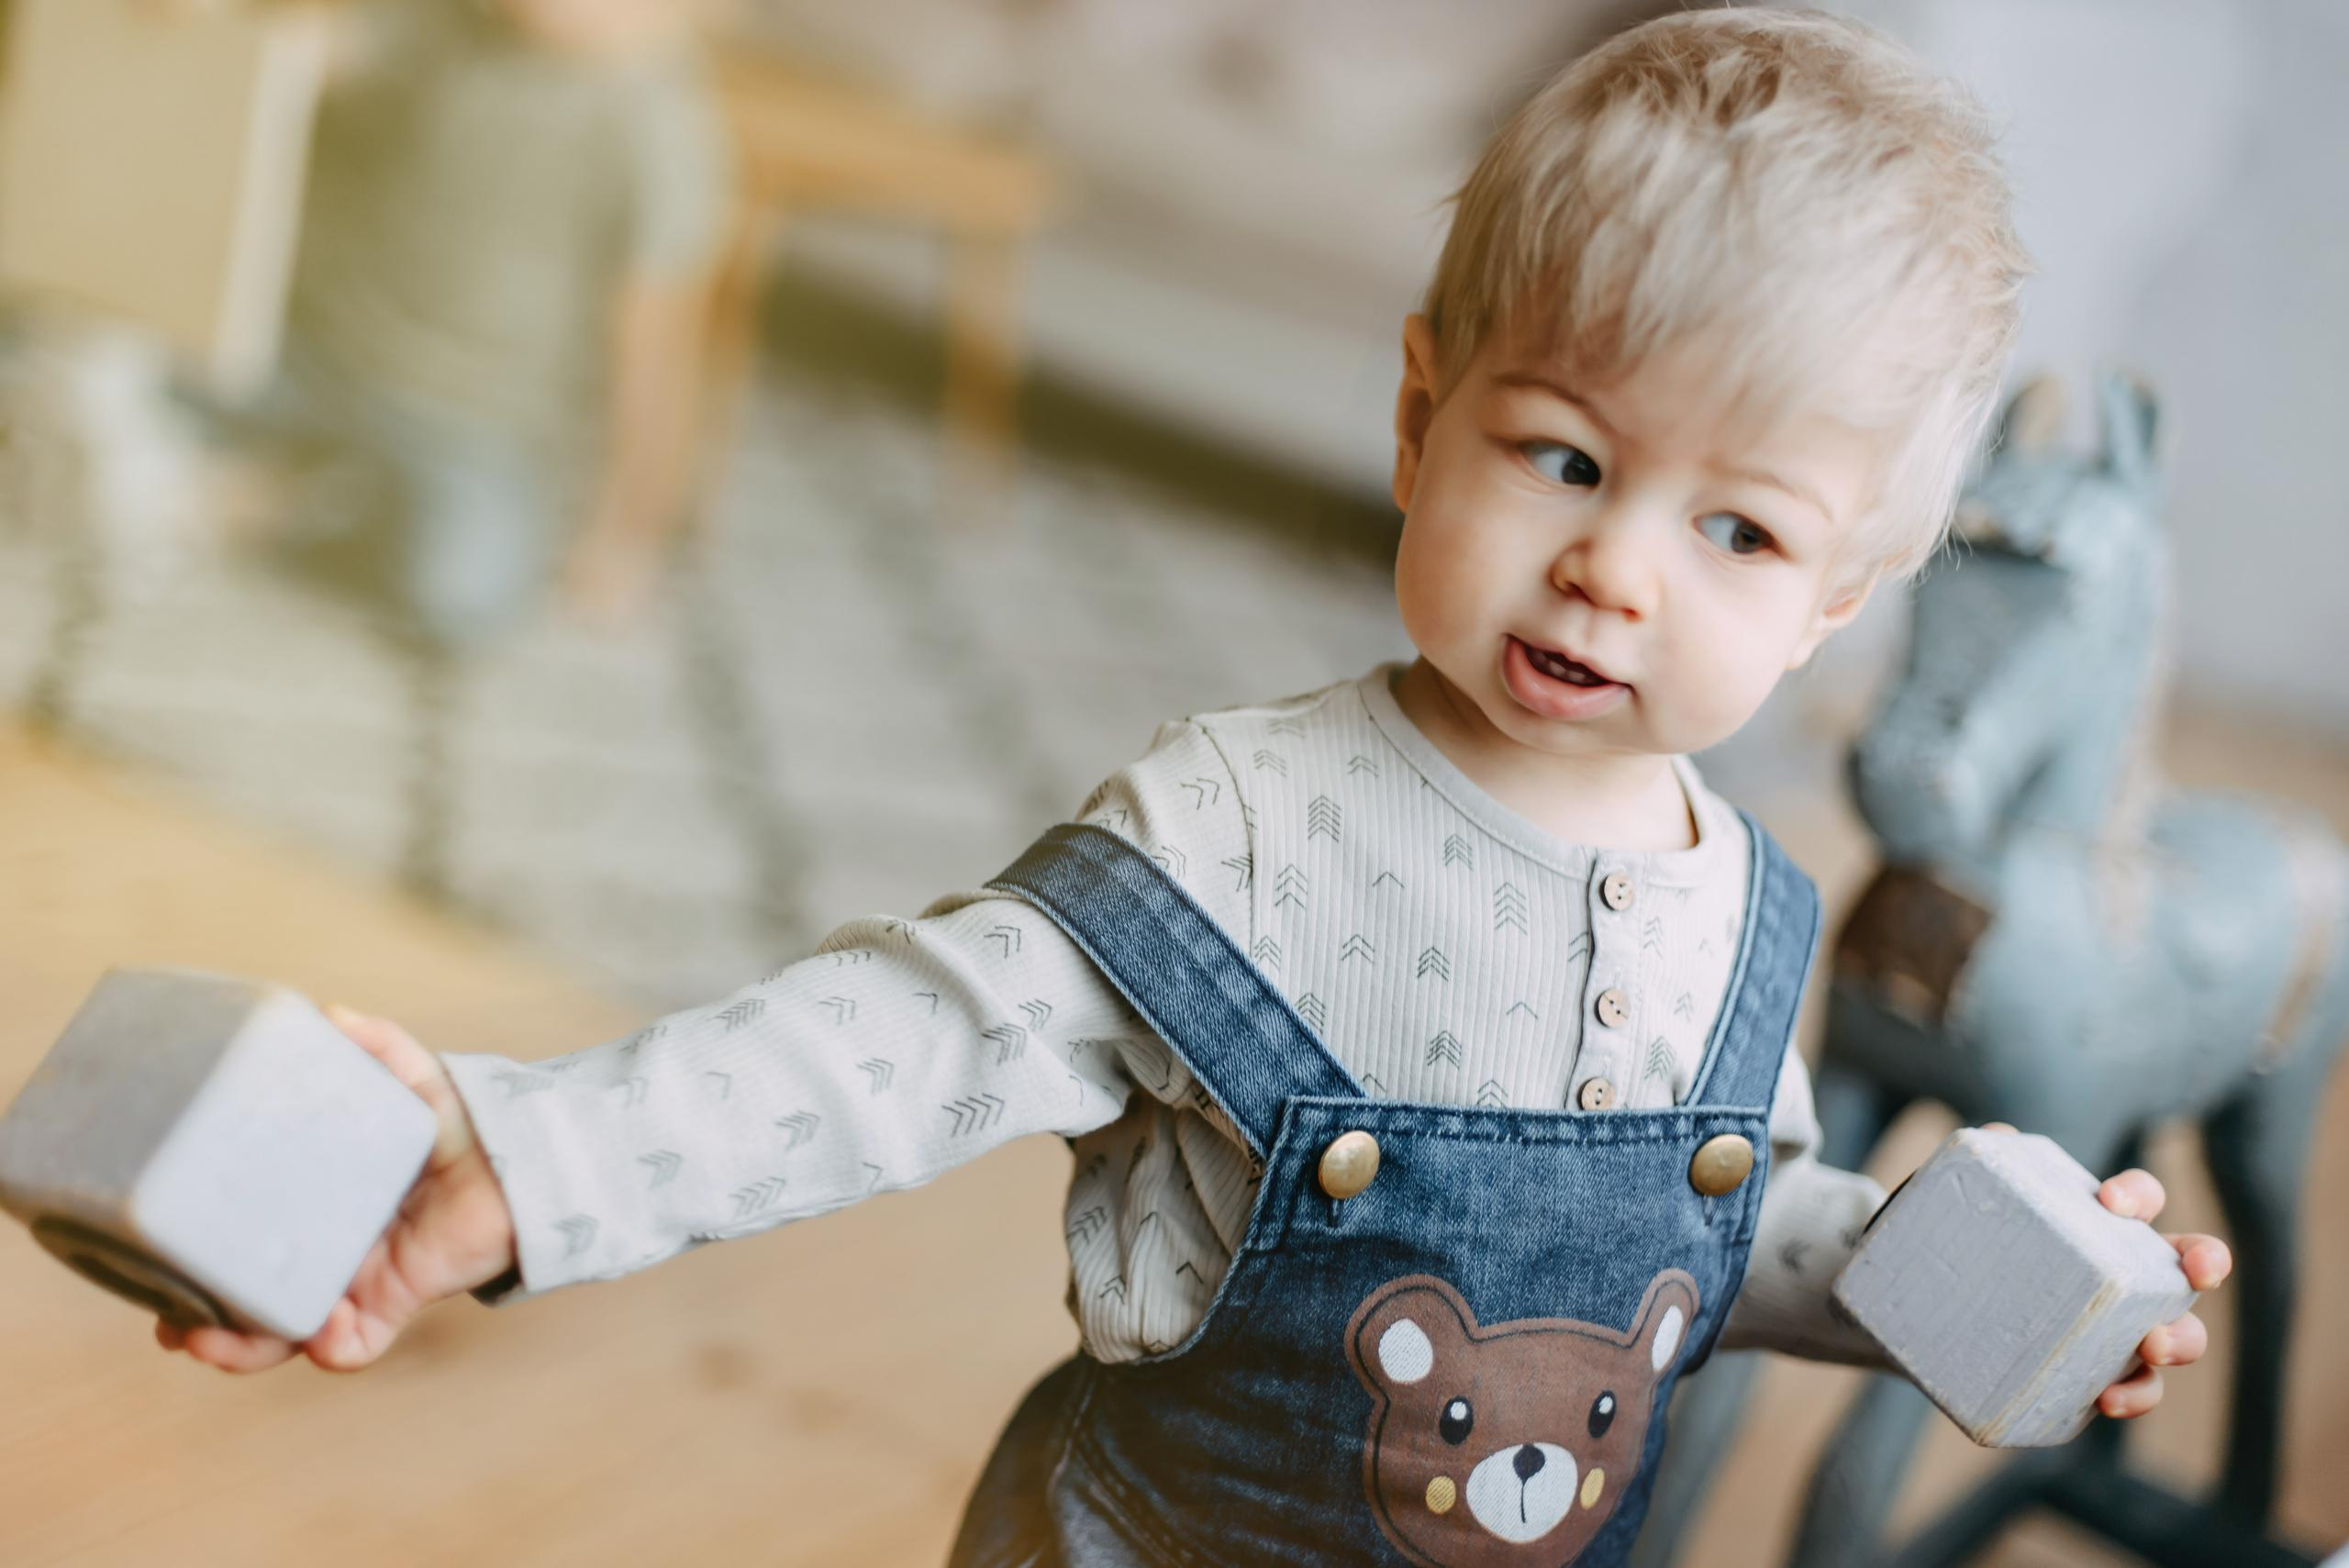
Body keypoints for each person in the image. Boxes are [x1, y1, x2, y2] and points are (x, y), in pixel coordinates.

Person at [154, 10, 2234, 1564]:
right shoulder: (1242, 829)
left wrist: (1950, 1280)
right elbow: (883, 1046)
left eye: (1738, 530)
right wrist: (525, 1158)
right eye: (1566, 458)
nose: (1615, 566)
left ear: (1836, 606)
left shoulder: (1746, 911)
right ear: (1418, 417)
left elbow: (1706, 1245)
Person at [237, 0, 729, 646]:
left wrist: (625, 533)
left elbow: (655, 356)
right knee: (160, 364)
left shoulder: (660, 130)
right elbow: (318, 49)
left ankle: (324, 499)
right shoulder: (455, 25)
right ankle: (315, 482)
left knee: (463, 596)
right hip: (328, 354)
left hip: (475, 424)